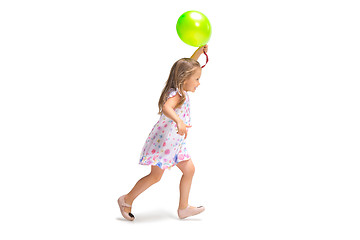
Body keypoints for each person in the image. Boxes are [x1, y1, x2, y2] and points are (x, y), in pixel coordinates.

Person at [118, 45, 208, 220]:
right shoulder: (177, 94)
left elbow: (188, 65)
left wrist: (198, 51)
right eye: (196, 78)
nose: (199, 82)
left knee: (189, 170)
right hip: (165, 143)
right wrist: (179, 121)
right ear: (185, 78)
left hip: (176, 142)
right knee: (155, 176)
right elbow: (167, 107)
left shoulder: (180, 86)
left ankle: (183, 208)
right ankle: (126, 199)